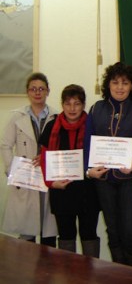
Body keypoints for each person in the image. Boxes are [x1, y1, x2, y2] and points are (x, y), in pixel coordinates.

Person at [84, 62, 132, 268]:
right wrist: (89, 170)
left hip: (130, 180)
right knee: (113, 231)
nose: (120, 87)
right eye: (115, 82)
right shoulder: (96, 108)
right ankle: (118, 275)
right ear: (108, 84)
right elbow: (88, 142)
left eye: (125, 83)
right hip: (103, 180)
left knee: (129, 230)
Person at [39, 84, 100, 256]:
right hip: (61, 191)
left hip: (88, 192)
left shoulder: (92, 125)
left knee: (89, 235)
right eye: (68, 104)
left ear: (83, 105)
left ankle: (90, 277)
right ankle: (68, 277)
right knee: (66, 235)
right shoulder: (52, 126)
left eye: (77, 104)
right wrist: (51, 183)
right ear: (62, 105)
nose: (72, 108)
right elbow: (44, 158)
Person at [0, 72, 58, 246]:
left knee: (48, 231)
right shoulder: (17, 117)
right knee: (27, 233)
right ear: (28, 92)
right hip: (25, 179)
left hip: (48, 177)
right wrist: (13, 170)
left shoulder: (56, 117)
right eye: (33, 89)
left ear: (48, 91)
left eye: (41, 89)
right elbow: (5, 145)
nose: (37, 92)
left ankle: (48, 270)